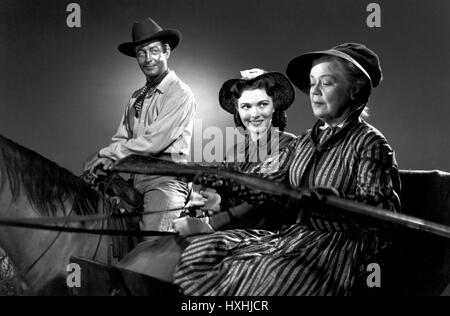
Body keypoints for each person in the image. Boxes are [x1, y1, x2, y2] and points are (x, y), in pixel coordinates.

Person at [173, 43, 401, 296]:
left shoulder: (370, 143)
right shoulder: (304, 141)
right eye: (312, 83)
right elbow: (266, 185)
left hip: (334, 248)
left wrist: (338, 204)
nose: (314, 91)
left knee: (266, 275)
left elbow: (383, 216)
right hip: (291, 237)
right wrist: (212, 177)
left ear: (355, 90)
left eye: (326, 83)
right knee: (201, 252)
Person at [83, 18, 196, 232]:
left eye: (154, 51)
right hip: (135, 179)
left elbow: (153, 143)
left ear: (166, 52)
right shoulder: (136, 98)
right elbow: (121, 138)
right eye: (141, 53)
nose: (147, 59)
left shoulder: (180, 93)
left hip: (165, 181)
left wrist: (103, 153)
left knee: (150, 246)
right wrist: (106, 159)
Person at [173, 69, 296, 236]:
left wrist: (211, 223)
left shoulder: (288, 145)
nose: (254, 114)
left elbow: (263, 197)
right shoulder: (235, 151)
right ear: (237, 110)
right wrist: (211, 198)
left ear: (274, 106)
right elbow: (223, 191)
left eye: (262, 104)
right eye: (246, 106)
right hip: (231, 230)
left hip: (268, 237)